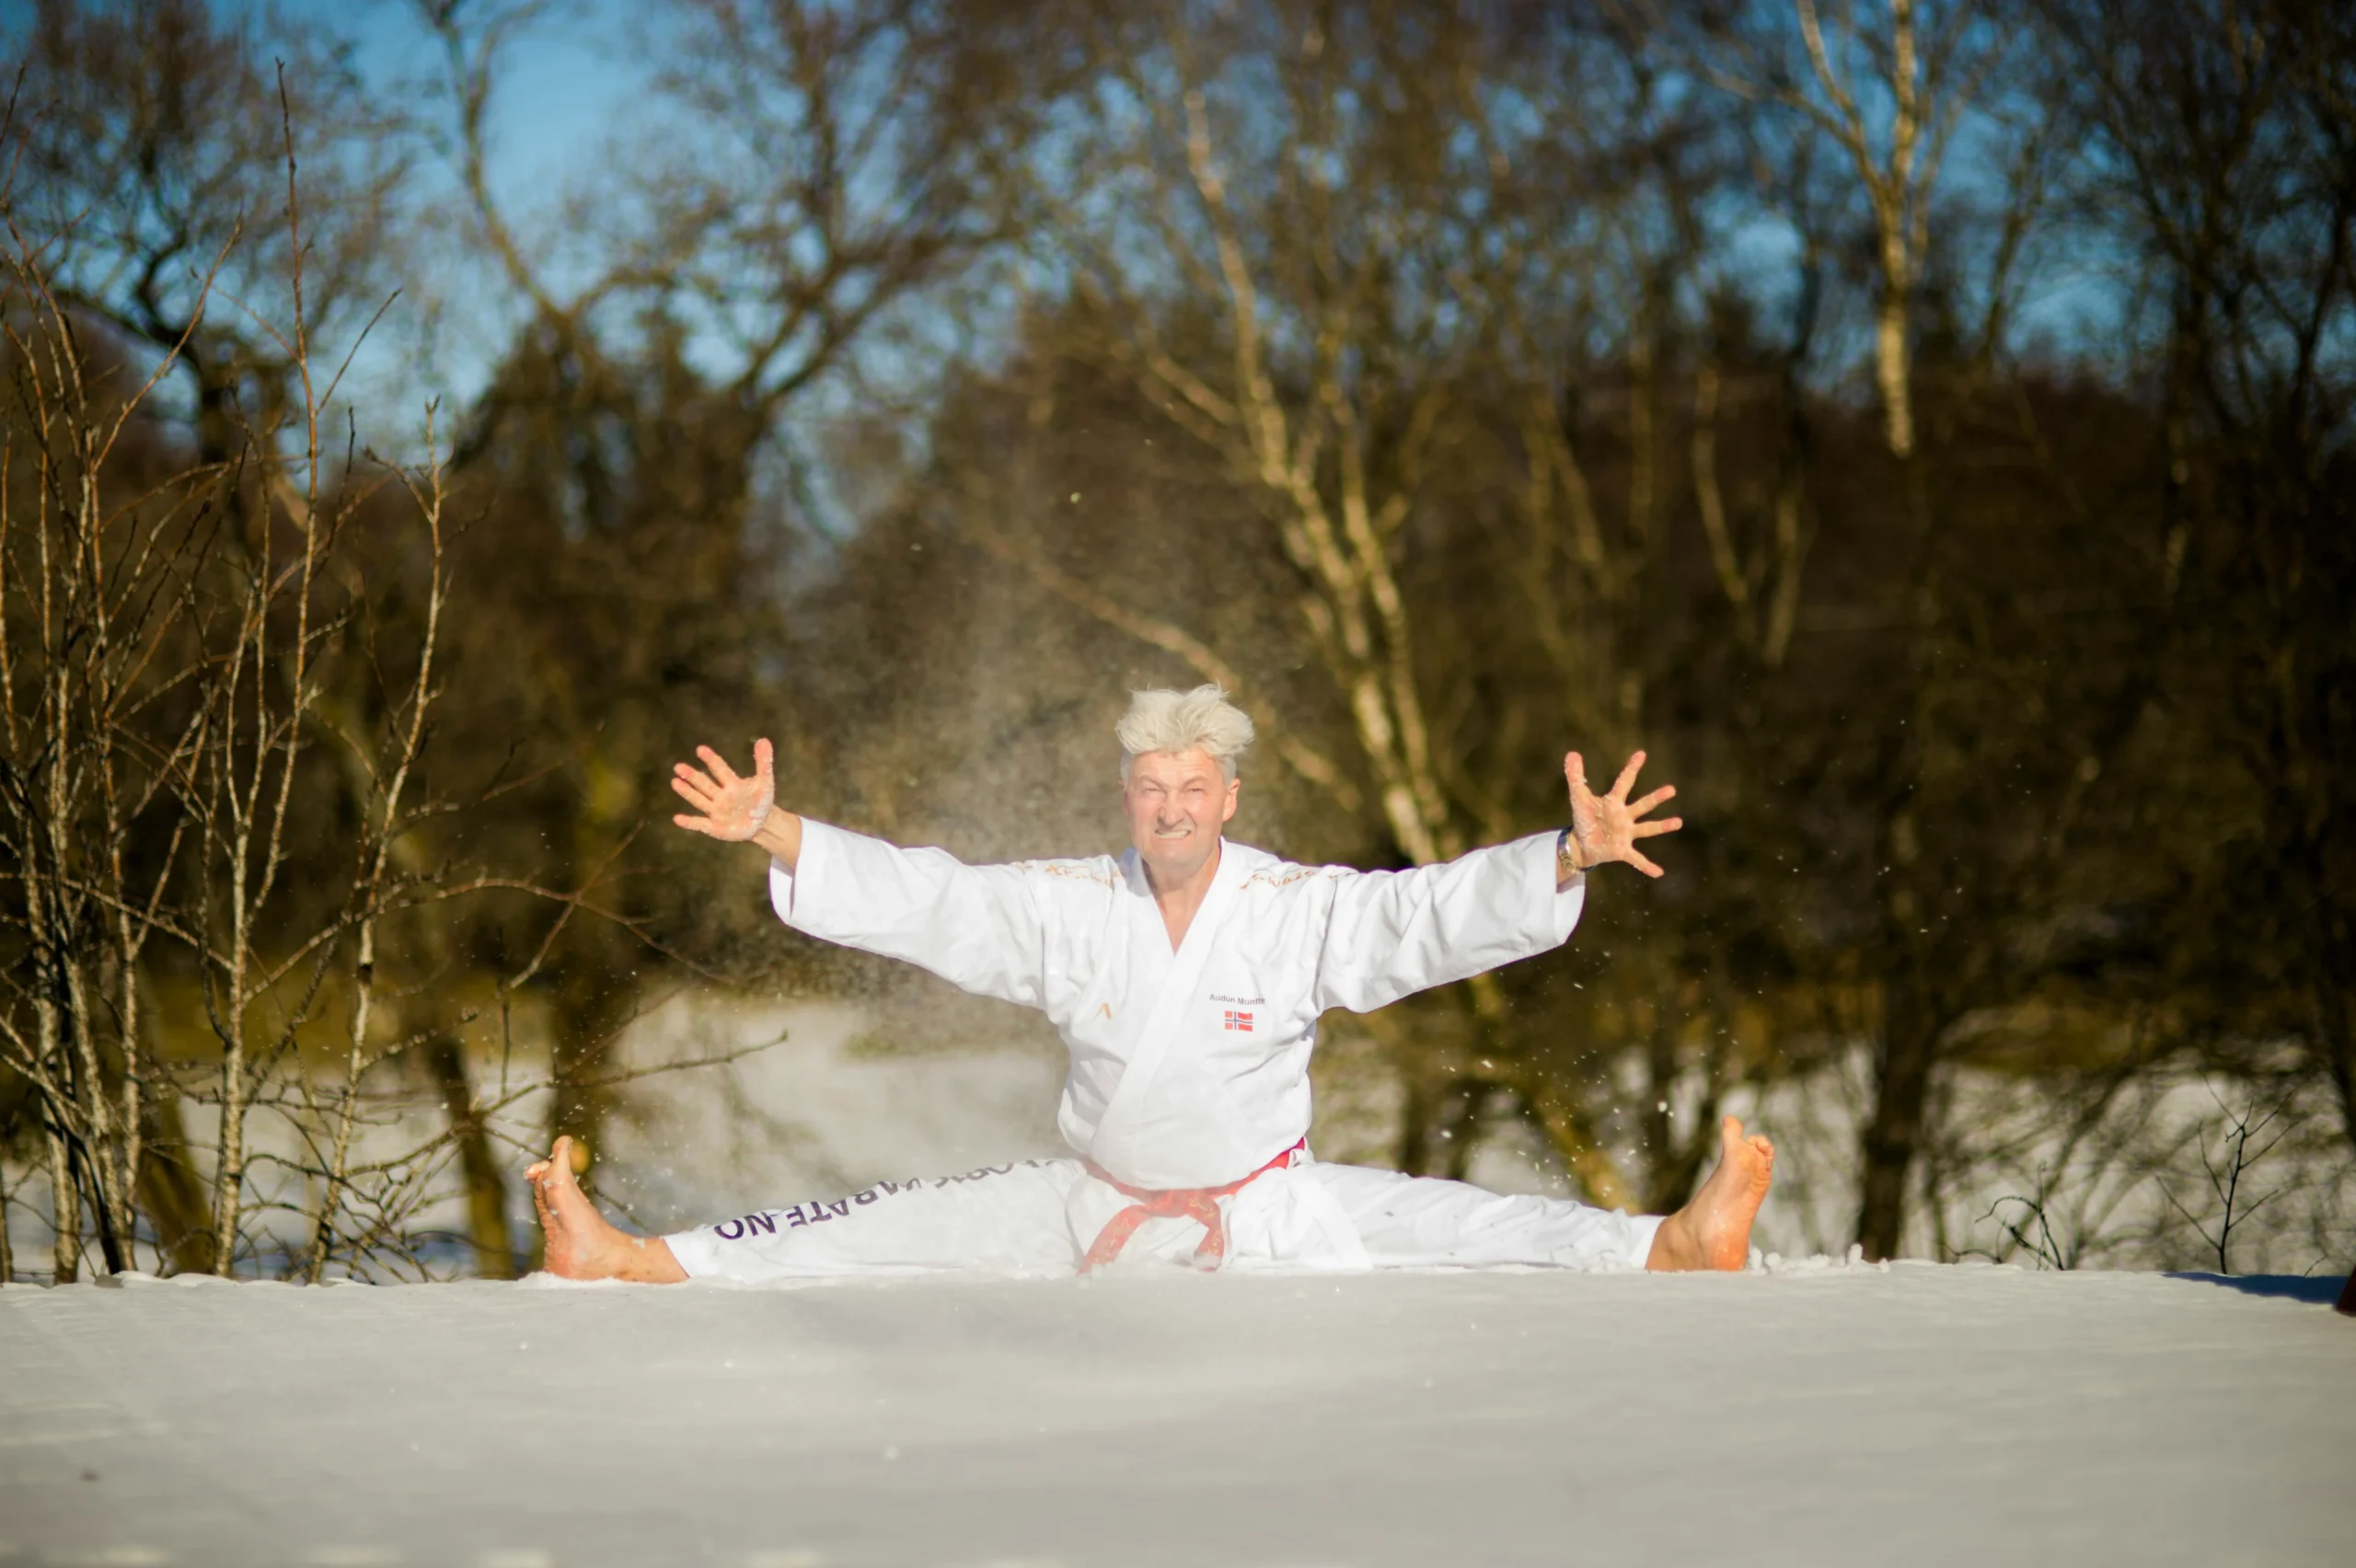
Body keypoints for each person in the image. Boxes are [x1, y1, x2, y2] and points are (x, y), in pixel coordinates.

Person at [528, 686, 1773, 1284]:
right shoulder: (1073, 904)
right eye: (1150, 790)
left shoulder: (1296, 912)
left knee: (1465, 1222)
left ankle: (1675, 1240)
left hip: (1273, 1213)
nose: (1171, 812)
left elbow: (1424, 913)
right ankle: (628, 1260)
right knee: (870, 1231)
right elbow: (938, 902)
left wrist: (1565, 855)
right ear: (1126, 796)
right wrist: (778, 832)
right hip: (1091, 1205)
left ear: (1228, 798)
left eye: (1194, 791)